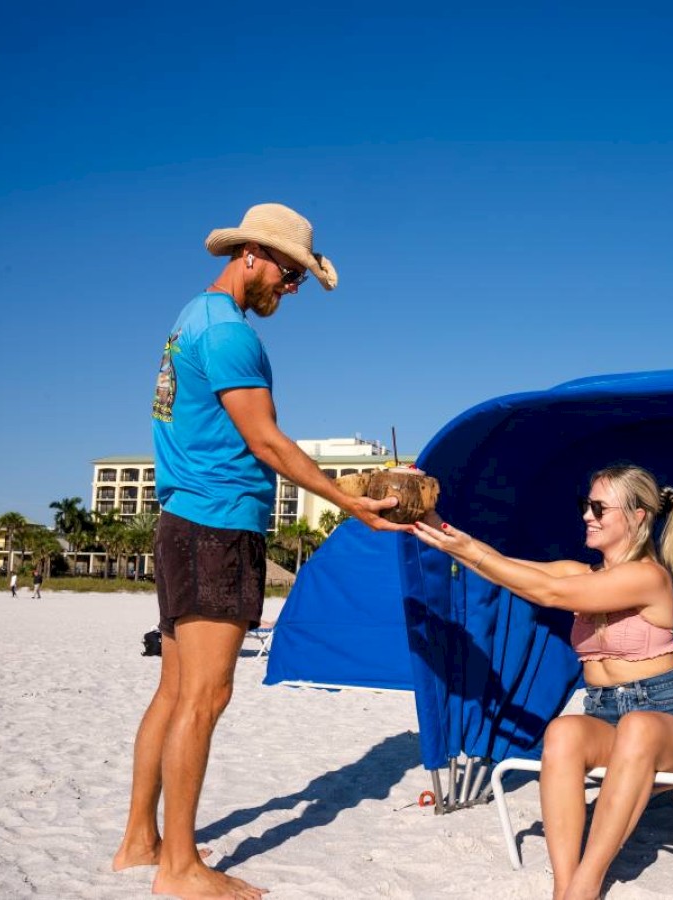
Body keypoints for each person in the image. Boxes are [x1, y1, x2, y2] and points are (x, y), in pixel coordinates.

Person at [112, 202, 408, 899]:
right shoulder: (229, 336)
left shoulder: (189, 319)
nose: (293, 287)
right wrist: (352, 503)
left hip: (183, 520)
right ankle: (180, 870)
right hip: (217, 526)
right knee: (205, 697)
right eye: (290, 272)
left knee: (174, 692)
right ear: (252, 255)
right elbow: (267, 442)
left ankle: (140, 842)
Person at [411, 464, 673, 900]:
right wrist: (433, 523)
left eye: (599, 508)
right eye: (585, 506)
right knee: (563, 731)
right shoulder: (581, 573)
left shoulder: (649, 576)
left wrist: (471, 551)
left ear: (638, 515)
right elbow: (505, 568)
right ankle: (564, 886)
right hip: (605, 715)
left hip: (669, 721)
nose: (587, 515)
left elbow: (549, 594)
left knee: (639, 727)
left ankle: (585, 887)